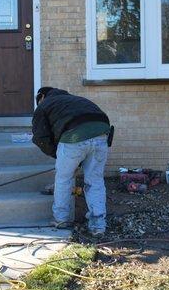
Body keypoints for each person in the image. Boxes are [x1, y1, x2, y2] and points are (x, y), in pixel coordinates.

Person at [31, 87, 113, 236]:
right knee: (95, 181)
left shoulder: (44, 105)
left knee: (63, 178)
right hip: (102, 133)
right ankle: (98, 225)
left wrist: (60, 156)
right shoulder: (77, 100)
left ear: (42, 96)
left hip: (73, 136)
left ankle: (61, 219)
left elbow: (40, 138)